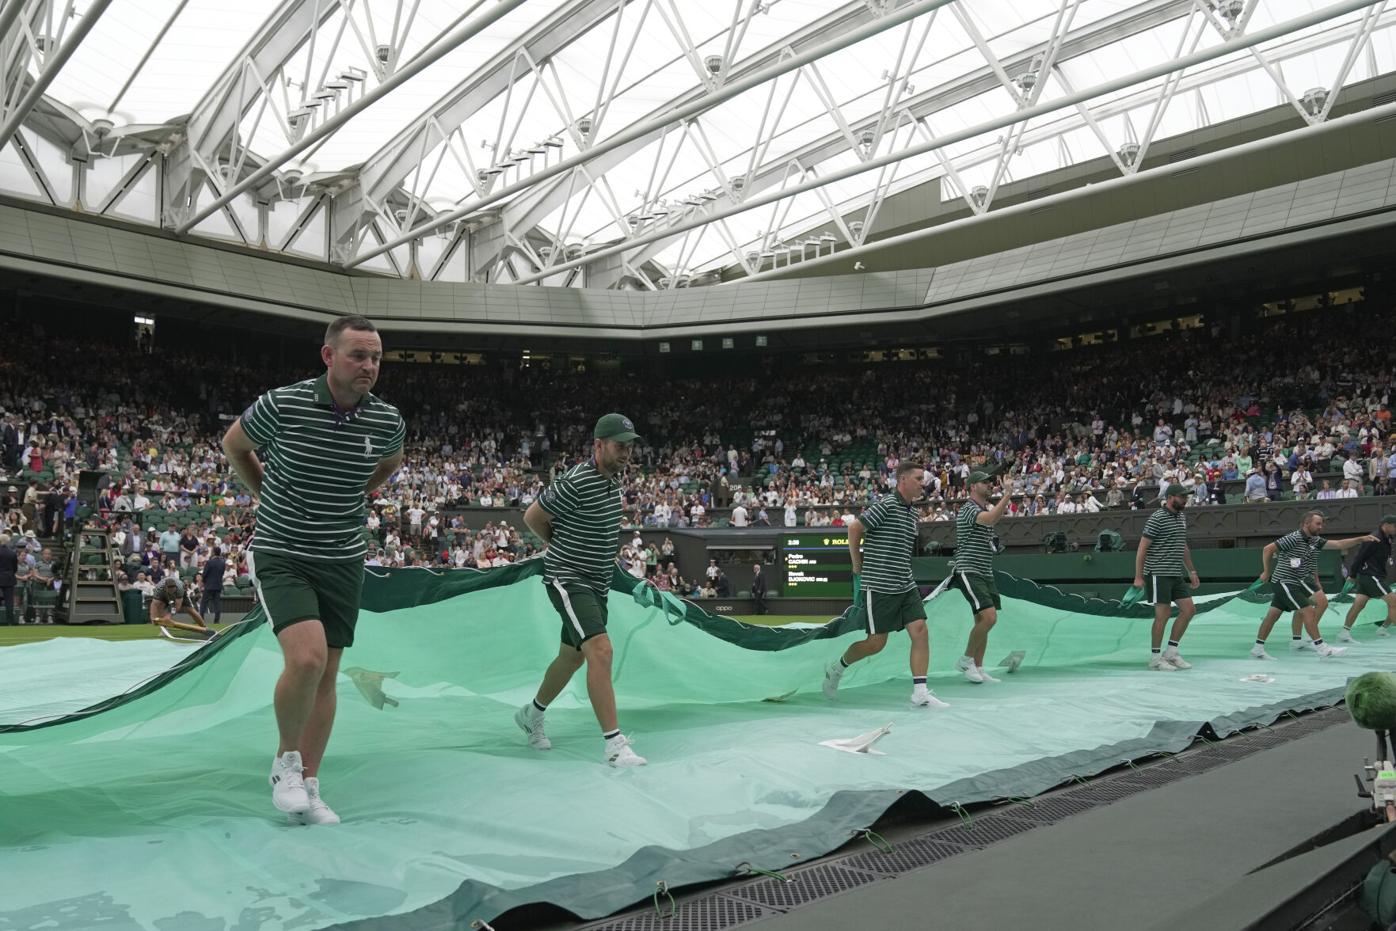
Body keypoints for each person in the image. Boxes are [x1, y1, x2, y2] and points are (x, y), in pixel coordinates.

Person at [221, 315, 406, 825]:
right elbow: (234, 444)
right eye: (358, 355)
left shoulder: (387, 419)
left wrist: (358, 491)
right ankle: (286, 763)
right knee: (305, 661)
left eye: (375, 358)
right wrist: (265, 493)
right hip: (283, 551)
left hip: (344, 558)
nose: (369, 366)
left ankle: (310, 784)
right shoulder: (283, 403)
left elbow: (390, 462)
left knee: (327, 673)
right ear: (329, 356)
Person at [515, 413, 646, 768]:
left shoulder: (613, 484)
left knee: (571, 658)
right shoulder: (576, 480)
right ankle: (614, 745)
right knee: (600, 651)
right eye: (620, 446)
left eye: (629, 447)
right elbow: (532, 516)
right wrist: (560, 547)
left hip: (596, 583)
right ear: (598, 445)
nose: (626, 453)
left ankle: (532, 714)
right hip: (567, 578)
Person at [822, 461, 948, 709]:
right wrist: (857, 565)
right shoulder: (887, 505)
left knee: (920, 630)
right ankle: (836, 668)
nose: (923, 483)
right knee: (876, 644)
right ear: (903, 481)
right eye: (918, 479)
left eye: (923, 479)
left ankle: (920, 692)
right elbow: (855, 529)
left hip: (905, 583)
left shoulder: (913, 512)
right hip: (879, 585)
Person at [1250, 511, 1375, 660]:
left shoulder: (1315, 540)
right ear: (1306, 524)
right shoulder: (1294, 538)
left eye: (1322, 524)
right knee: (1308, 611)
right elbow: (1268, 549)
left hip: (1298, 581)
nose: (1321, 527)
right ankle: (1322, 648)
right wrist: (1266, 571)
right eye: (1318, 523)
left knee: (1273, 615)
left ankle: (1258, 648)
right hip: (1284, 581)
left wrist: (1361, 539)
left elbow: (1339, 544)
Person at [949, 468, 1013, 684]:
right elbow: (991, 519)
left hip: (985, 571)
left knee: (981, 621)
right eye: (985, 483)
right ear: (973, 487)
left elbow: (991, 520)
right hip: (969, 569)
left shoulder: (981, 508)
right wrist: (1007, 494)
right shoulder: (968, 508)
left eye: (990, 482)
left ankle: (978, 667)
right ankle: (965, 660)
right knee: (989, 617)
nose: (990, 485)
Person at [1133, 483, 1200, 671]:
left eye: (1186, 497)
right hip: (1157, 573)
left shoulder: (1181, 517)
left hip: (1175, 574)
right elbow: (1142, 548)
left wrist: (1191, 571)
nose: (1185, 500)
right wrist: (1138, 577)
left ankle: (1170, 653)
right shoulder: (1157, 518)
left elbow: (1182, 545)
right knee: (1163, 615)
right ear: (1170, 498)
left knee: (1189, 610)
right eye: (1182, 497)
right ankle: (1155, 658)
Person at [1341, 514, 1396, 641]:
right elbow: (1359, 557)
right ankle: (1383, 629)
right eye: (1394, 526)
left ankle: (1344, 632)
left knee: (1358, 605)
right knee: (1394, 601)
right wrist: (1352, 575)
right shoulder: (1373, 538)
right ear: (1386, 525)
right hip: (1371, 576)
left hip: (1374, 576)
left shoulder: (1388, 538)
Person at [149, 576, 214, 639]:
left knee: (190, 610)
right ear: (165, 588)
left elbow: (178, 606)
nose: (171, 590)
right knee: (160, 606)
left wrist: (169, 616)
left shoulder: (180, 588)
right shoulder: (159, 589)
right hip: (164, 594)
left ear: (175, 587)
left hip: (179, 596)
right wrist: (153, 617)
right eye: (169, 588)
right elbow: (154, 604)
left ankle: (204, 628)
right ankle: (164, 631)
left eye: (173, 588)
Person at [202, 545, 227, 624]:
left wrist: (204, 581)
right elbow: (222, 574)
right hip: (218, 585)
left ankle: (201, 619)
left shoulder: (209, 562)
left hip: (209, 585)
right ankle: (217, 620)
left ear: (213, 552)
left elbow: (204, 574)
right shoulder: (223, 563)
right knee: (217, 603)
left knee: (204, 602)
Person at [0, 532, 17, 626]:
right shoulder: (12, 553)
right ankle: (10, 622)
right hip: (9, 578)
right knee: (9, 601)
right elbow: (15, 568)